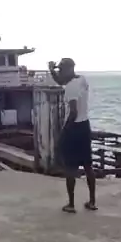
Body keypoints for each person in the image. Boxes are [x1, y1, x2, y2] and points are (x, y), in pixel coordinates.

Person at [48, 57, 96, 213]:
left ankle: (71, 204)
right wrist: (52, 71)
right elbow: (61, 80)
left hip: (74, 128)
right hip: (85, 125)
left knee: (70, 167)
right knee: (88, 165)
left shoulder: (70, 87)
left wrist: (64, 132)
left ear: (68, 69)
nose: (60, 73)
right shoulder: (82, 79)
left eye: (62, 70)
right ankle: (92, 202)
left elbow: (73, 112)